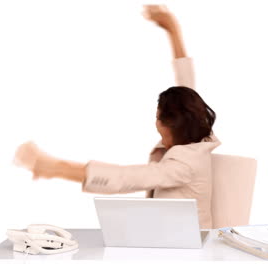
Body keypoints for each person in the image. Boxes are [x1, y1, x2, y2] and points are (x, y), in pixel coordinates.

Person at [13, 5, 220, 229]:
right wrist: (172, 30)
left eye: (158, 119)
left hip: (187, 246)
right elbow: (186, 85)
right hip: (167, 234)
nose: (155, 125)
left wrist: (54, 167)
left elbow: (125, 178)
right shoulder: (200, 135)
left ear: (170, 123)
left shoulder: (184, 165)